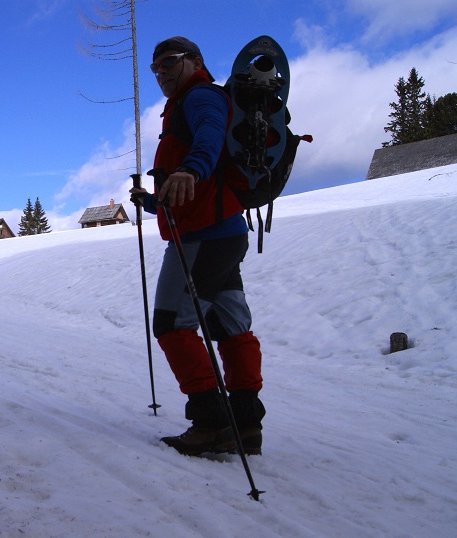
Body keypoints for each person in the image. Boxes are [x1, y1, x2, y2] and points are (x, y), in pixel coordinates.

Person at [130, 37, 265, 456]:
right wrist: (152, 202)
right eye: (155, 68)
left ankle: (210, 423)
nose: (161, 73)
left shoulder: (201, 96)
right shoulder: (187, 103)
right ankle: (245, 423)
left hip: (202, 237)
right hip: (222, 232)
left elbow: (210, 137)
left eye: (169, 62)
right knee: (230, 326)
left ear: (195, 62)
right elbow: (193, 187)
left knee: (172, 325)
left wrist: (189, 168)